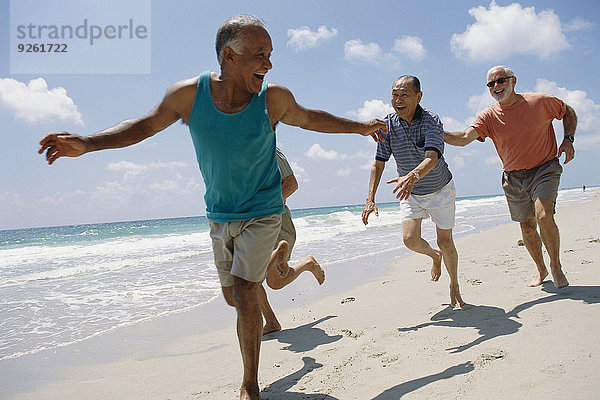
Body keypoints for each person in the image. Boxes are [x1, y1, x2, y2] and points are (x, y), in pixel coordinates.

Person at [38, 15, 386, 400]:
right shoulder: (188, 95)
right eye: (259, 54)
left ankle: (249, 386)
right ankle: (273, 277)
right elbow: (144, 126)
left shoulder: (273, 99)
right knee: (234, 298)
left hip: (265, 211)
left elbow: (310, 119)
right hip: (220, 216)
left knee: (244, 289)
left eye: (270, 55)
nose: (268, 64)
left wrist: (359, 127)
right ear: (229, 55)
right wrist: (88, 142)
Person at [444, 65, 576, 290]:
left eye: (501, 80)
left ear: (513, 81)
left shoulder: (540, 101)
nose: (496, 86)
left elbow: (568, 112)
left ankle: (555, 266)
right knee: (526, 227)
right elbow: (465, 137)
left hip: (545, 168)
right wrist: (435, 133)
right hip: (513, 176)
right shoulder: (488, 116)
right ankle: (541, 268)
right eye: (491, 84)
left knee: (544, 216)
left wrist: (568, 139)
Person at [362, 75, 465, 310]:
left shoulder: (431, 121)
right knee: (409, 240)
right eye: (394, 94)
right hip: (411, 191)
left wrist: (412, 175)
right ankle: (434, 256)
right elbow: (378, 164)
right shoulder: (388, 125)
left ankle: (454, 285)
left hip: (440, 189)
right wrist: (370, 199)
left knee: (445, 241)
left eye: (404, 95)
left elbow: (432, 157)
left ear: (418, 97)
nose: (398, 100)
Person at [257, 147, 324, 335]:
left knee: (274, 283)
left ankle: (304, 263)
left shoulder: (268, 148)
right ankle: (271, 322)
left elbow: (292, 184)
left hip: (275, 220)